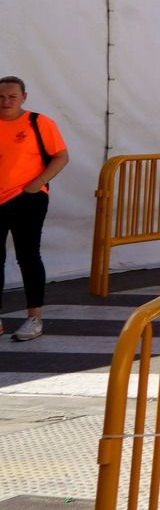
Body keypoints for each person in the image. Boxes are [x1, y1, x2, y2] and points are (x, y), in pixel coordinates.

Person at [0, 76, 67, 343]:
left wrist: (37, 184)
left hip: (27, 199)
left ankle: (34, 317)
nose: (6, 102)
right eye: (1, 97)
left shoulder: (39, 123)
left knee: (27, 256)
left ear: (24, 97)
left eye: (12, 97)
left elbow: (61, 156)